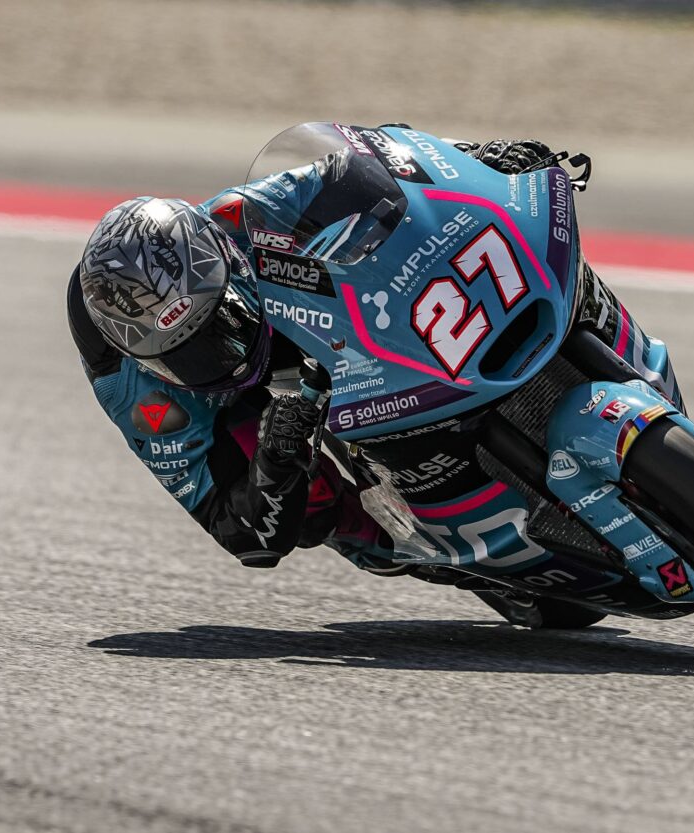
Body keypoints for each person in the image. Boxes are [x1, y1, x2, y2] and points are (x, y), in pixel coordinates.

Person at [66, 136, 564, 571]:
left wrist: (477, 158)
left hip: (292, 313)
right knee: (308, 503)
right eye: (187, 352)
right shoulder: (136, 391)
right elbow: (242, 536)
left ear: (224, 259)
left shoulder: (234, 218)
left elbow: (370, 163)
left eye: (221, 321)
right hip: (232, 400)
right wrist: (276, 458)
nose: (222, 353)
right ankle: (371, 535)